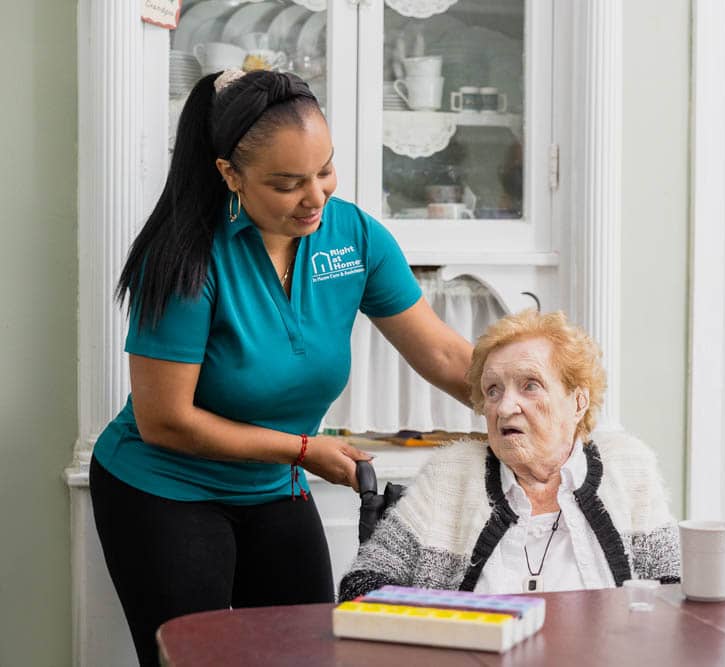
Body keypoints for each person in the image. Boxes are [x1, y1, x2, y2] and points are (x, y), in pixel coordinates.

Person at [89, 69, 472, 666]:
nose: (316, 196)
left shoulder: (354, 238)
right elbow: (165, 421)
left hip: (273, 484)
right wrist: (302, 450)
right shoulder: (188, 255)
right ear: (230, 175)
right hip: (164, 486)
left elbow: (446, 356)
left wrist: (532, 402)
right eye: (288, 183)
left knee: (308, 656)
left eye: (325, 170)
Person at [339, 310, 680, 600]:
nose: (504, 407)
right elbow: (362, 586)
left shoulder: (628, 468)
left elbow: (673, 591)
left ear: (578, 401)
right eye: (493, 390)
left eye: (530, 385)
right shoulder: (450, 476)